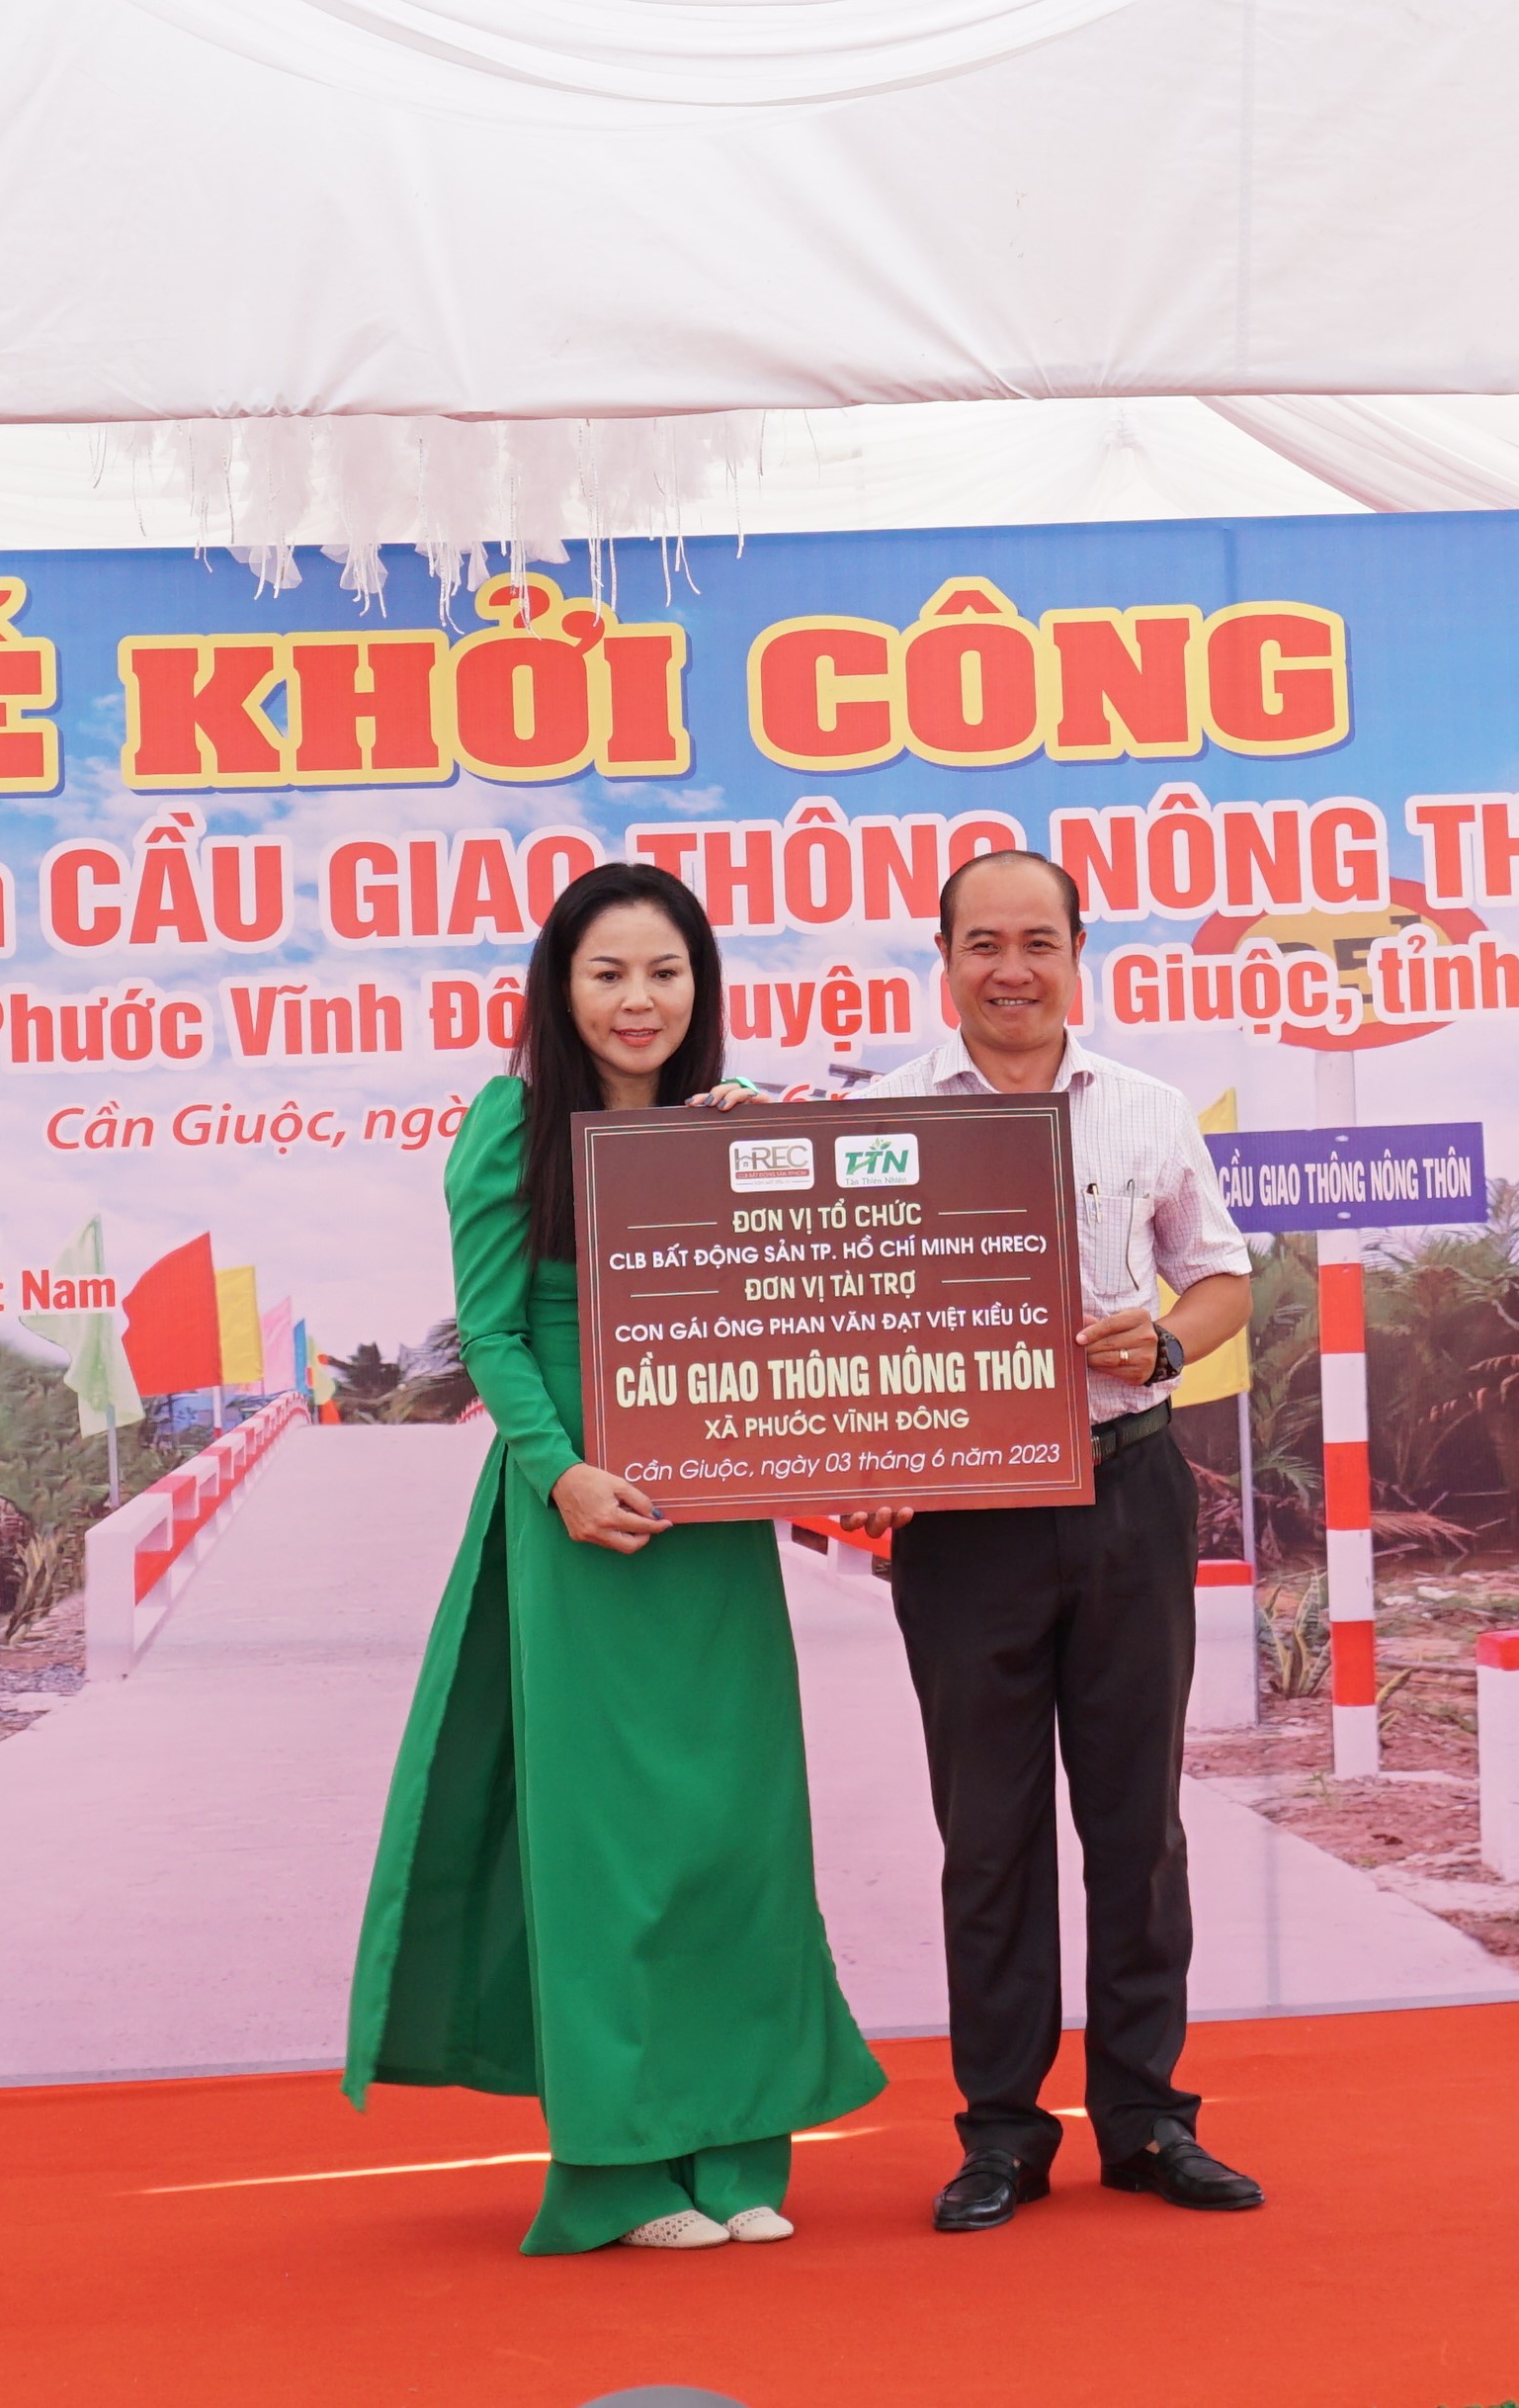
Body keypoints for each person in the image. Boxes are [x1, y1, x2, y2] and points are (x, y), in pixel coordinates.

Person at [343, 862, 885, 2253]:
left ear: (699, 986)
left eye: (664, 972)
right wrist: (564, 1474)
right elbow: (493, 1332)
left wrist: (769, 1167)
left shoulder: (728, 1128)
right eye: (608, 973)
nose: (638, 1000)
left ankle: (737, 2146)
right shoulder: (510, 1123)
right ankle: (618, 2168)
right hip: (584, 1520)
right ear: (560, 988)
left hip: (717, 1524)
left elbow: (804, 1315)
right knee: (611, 1846)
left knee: (736, 1833)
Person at [828, 848, 1264, 2233]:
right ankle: (1002, 2135)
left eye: (1037, 942)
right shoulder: (878, 1117)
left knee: (1138, 1826)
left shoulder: (1144, 1107)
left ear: (1079, 954)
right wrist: (863, 1456)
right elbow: (829, 1312)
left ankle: (1147, 2120)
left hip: (1127, 1491)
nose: (1010, 970)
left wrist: (1165, 1341)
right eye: (982, 944)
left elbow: (1223, 1277)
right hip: (963, 1529)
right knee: (989, 1839)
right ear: (943, 958)